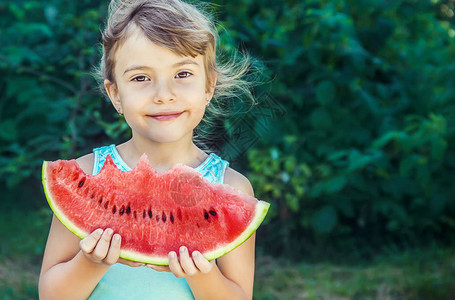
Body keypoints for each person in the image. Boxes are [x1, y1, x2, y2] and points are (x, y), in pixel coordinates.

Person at [39, 0, 260, 299]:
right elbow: (50, 295)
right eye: (141, 78)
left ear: (208, 86)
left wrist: (201, 275)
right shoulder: (84, 176)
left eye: (182, 74)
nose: (164, 95)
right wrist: (90, 262)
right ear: (115, 94)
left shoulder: (233, 189)